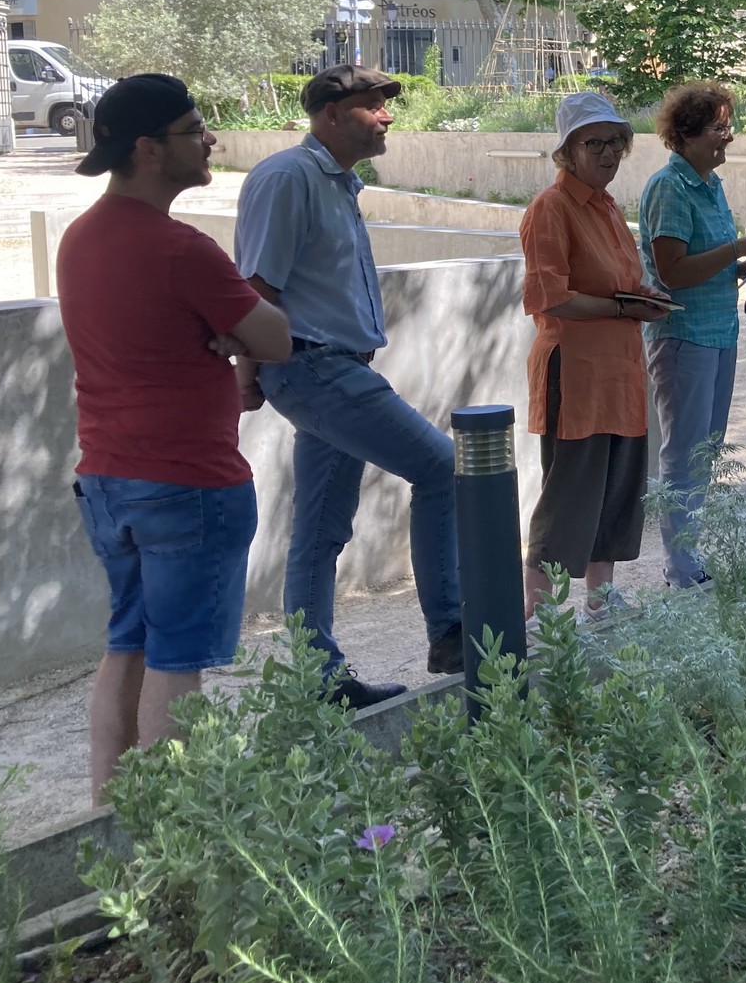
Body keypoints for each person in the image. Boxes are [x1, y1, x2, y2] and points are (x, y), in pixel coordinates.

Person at [56, 74, 293, 800]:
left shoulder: (79, 239)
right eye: (195, 130)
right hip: (187, 482)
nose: (210, 139)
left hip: (106, 476)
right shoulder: (181, 250)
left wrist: (218, 327)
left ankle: (111, 818)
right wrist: (226, 328)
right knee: (177, 659)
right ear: (148, 149)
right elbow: (276, 339)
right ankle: (169, 835)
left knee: (127, 641)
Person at [234, 64, 463, 709]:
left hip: (337, 368)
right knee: (444, 468)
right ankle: (450, 630)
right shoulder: (287, 178)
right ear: (331, 115)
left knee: (320, 528)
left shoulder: (337, 183)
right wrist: (246, 375)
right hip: (313, 366)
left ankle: (317, 677)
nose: (388, 115)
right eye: (374, 105)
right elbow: (255, 287)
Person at [520, 91, 672, 620]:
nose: (608, 153)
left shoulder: (607, 206)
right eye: (594, 142)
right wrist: (622, 306)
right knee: (569, 492)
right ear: (568, 150)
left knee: (617, 488)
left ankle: (601, 601)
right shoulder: (551, 208)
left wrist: (641, 299)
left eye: (615, 142)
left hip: (620, 370)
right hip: (576, 371)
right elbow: (549, 296)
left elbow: (620, 287)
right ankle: (539, 616)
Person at [637, 83, 746, 586]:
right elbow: (671, 272)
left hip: (718, 332)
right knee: (684, 450)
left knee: (706, 449)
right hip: (682, 336)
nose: (729, 136)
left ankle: (690, 556)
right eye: (719, 127)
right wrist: (736, 248)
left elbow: (707, 264)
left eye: (727, 125)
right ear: (686, 134)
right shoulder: (669, 186)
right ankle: (680, 567)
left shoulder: (710, 183)